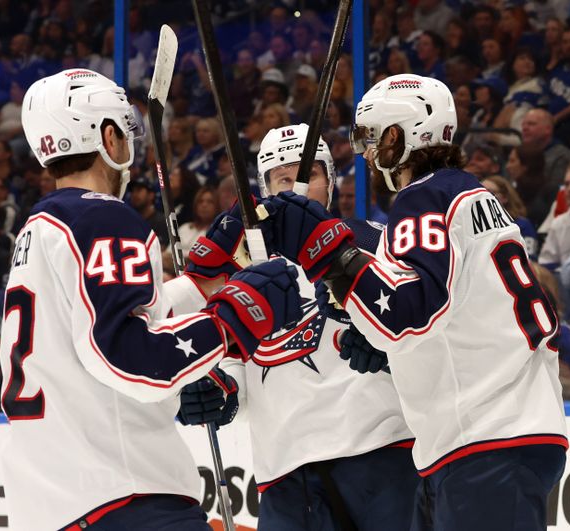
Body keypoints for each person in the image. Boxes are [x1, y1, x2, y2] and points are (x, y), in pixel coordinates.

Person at [259, 74, 567, 530]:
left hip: (485, 435)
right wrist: (381, 346)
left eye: (371, 136)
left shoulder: (423, 197)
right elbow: (447, 311)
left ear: (399, 135)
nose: (365, 152)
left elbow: (407, 313)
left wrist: (332, 254)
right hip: (512, 426)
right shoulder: (471, 196)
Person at [3, 68, 301, 530]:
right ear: (107, 136)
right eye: (124, 130)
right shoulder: (101, 218)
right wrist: (233, 318)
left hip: (56, 505)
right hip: (126, 496)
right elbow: (129, 357)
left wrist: (201, 284)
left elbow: (109, 327)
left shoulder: (37, 230)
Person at [179, 124, 418, 530]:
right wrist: (218, 389)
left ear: (330, 181)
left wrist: (391, 347)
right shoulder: (241, 271)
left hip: (380, 449)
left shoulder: (372, 243)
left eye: (309, 177)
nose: (297, 189)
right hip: (286, 469)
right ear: (264, 189)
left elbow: (416, 326)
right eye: (283, 179)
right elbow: (234, 354)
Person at [480, 175, 538, 258]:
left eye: (489, 192)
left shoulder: (522, 225)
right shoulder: (471, 224)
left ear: (504, 197)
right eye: (479, 193)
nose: (482, 197)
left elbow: (529, 257)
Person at [128, 175, 169, 248]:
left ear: (151, 195)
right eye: (133, 191)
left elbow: (160, 250)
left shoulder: (161, 221)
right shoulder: (129, 219)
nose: (134, 194)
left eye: (139, 190)